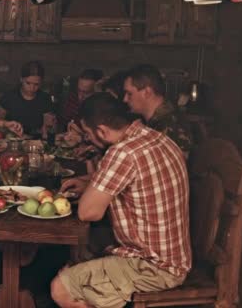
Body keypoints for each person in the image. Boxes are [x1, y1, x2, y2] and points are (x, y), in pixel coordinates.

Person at [53, 93, 191, 308]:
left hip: (153, 267)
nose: (88, 140)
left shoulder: (122, 152)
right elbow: (137, 176)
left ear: (102, 131)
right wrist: (90, 182)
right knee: (79, 255)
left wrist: (92, 185)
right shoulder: (155, 137)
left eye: (88, 134)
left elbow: (88, 212)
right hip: (173, 258)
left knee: (61, 288)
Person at [123, 64, 193, 156]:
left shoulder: (168, 126)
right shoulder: (160, 121)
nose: (125, 99)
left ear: (147, 92)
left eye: (129, 93)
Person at [0, 61, 54, 136]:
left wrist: (46, 129)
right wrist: (8, 132)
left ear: (41, 82)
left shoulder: (45, 98)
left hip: (37, 142)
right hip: (12, 140)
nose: (32, 88)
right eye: (28, 83)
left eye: (36, 84)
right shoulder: (8, 97)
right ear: (21, 79)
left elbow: (48, 127)